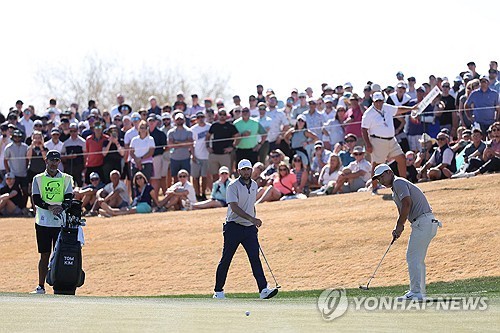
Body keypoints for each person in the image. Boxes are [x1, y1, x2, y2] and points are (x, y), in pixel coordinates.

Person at [372, 163, 442, 300]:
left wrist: (399, 225)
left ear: (389, 172)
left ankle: (416, 292)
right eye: (378, 179)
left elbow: (407, 203)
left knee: (413, 257)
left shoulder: (398, 182)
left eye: (381, 177)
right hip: (423, 222)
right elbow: (403, 211)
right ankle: (418, 292)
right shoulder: (395, 189)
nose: (380, 181)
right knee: (416, 258)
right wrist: (398, 228)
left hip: (423, 221)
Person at [213, 159, 278, 300]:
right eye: (243, 170)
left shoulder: (254, 185)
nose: (246, 172)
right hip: (233, 227)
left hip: (249, 228)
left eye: (248, 169)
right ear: (238, 171)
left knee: (255, 259)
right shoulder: (232, 186)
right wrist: (252, 219)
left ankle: (263, 289)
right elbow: (234, 207)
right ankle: (218, 291)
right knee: (226, 259)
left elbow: (250, 204)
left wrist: (253, 221)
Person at [30, 150, 74, 294]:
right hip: (43, 222)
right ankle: (41, 286)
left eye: (56, 161)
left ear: (59, 162)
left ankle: (58, 286)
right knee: (44, 255)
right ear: (46, 161)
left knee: (60, 255)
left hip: (60, 223)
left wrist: (61, 207)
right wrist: (50, 207)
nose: (54, 163)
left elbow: (69, 198)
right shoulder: (38, 178)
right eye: (51, 160)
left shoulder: (67, 178)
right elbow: (36, 199)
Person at [361, 92, 419, 194]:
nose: (379, 103)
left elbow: (398, 109)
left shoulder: (387, 107)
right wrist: (368, 144)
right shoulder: (368, 113)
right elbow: (364, 129)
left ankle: (404, 184)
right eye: (376, 101)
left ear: (383, 100)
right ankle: (374, 188)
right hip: (377, 140)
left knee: (401, 158)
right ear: (373, 101)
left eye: (380, 101)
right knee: (376, 164)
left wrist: (411, 109)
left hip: (391, 139)